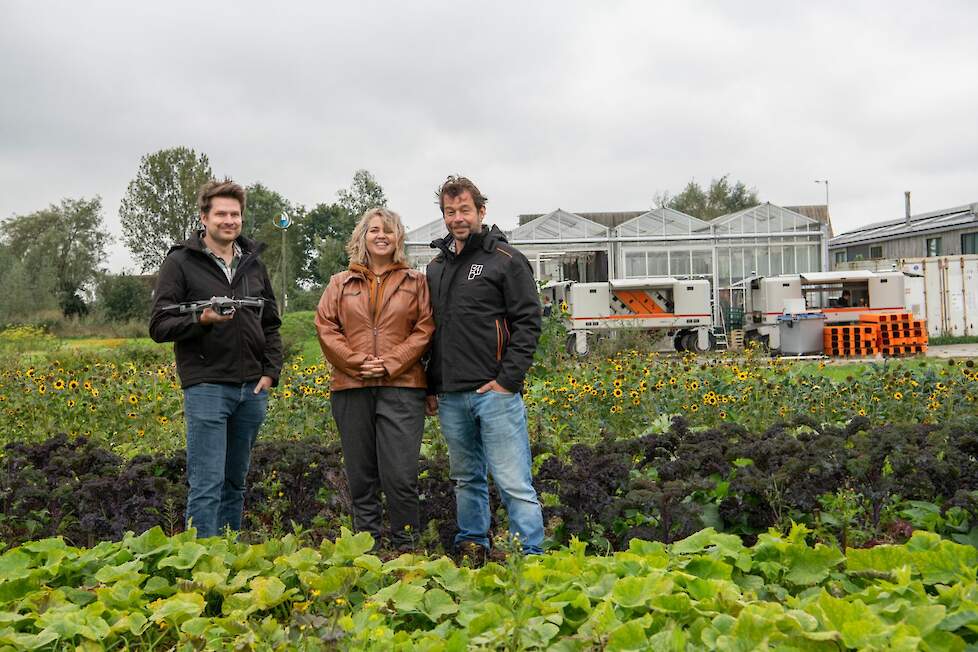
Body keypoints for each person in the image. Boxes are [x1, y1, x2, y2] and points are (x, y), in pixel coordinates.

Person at [149, 179, 282, 538]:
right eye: (221, 213)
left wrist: (270, 372)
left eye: (235, 214)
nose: (229, 220)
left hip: (251, 389)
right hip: (207, 386)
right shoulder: (180, 262)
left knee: (235, 483)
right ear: (204, 217)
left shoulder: (253, 264)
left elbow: (270, 324)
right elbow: (159, 324)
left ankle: (228, 560)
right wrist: (200, 320)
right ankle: (201, 564)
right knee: (206, 484)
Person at [425, 175, 544, 560]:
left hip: (495, 394)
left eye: (464, 210)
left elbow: (529, 321)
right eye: (449, 211)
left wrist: (508, 380)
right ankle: (473, 544)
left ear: (481, 211)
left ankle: (531, 554)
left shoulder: (506, 261)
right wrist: (432, 384)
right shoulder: (437, 267)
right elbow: (433, 331)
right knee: (465, 478)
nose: (457, 218)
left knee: (512, 480)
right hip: (452, 394)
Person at [316, 207, 434, 552]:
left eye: (389, 230)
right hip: (351, 388)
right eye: (374, 230)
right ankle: (367, 550)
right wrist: (356, 363)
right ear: (362, 238)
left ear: (399, 238)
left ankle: (406, 547)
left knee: (401, 475)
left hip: (402, 386)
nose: (381, 236)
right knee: (361, 475)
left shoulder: (417, 283)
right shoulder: (340, 283)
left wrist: (390, 363)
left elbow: (424, 329)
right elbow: (326, 327)